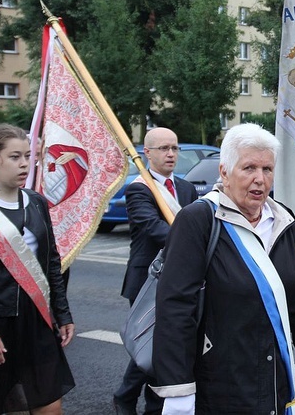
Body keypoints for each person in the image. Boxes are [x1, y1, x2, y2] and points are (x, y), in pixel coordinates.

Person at [151, 123, 295, 414]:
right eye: (249, 168)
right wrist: (178, 388)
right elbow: (176, 307)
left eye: (267, 169)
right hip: (220, 383)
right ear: (225, 171)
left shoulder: (283, 221)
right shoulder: (199, 221)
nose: (260, 180)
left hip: (275, 378)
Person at [0, 124, 75, 415]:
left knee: (50, 406)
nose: (25, 163)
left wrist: (61, 313)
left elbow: (52, 261)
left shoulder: (36, 202)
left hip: (37, 322)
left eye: (29, 156)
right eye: (15, 157)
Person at [114, 127, 198, 415]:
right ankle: (146, 403)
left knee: (159, 344)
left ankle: (128, 395)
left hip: (181, 278)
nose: (171, 154)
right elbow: (154, 229)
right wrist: (193, 239)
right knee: (151, 341)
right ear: (146, 153)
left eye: (174, 148)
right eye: (163, 148)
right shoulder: (138, 188)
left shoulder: (186, 188)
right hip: (147, 279)